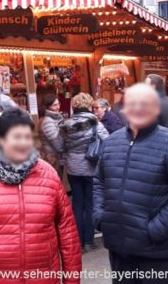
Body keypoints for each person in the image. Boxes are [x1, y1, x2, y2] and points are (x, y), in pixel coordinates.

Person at [0, 108, 81, 283]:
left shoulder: (48, 175)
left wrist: (72, 279)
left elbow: (67, 231)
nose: (23, 143)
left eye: (27, 136)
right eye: (16, 137)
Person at [94, 83, 168, 284]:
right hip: (119, 247)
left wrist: (155, 230)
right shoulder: (112, 142)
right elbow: (99, 181)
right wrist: (100, 217)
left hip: (155, 251)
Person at [63, 93, 109, 250]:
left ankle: (78, 240)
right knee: (90, 204)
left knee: (77, 203)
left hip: (73, 167)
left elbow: (59, 145)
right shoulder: (94, 122)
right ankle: (89, 240)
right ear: (89, 105)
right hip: (91, 166)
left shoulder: (65, 124)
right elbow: (107, 140)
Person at [39, 94, 70, 193]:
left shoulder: (55, 118)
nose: (58, 107)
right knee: (55, 189)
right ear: (47, 106)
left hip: (55, 158)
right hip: (52, 159)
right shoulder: (47, 121)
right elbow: (58, 145)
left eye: (58, 104)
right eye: (54, 105)